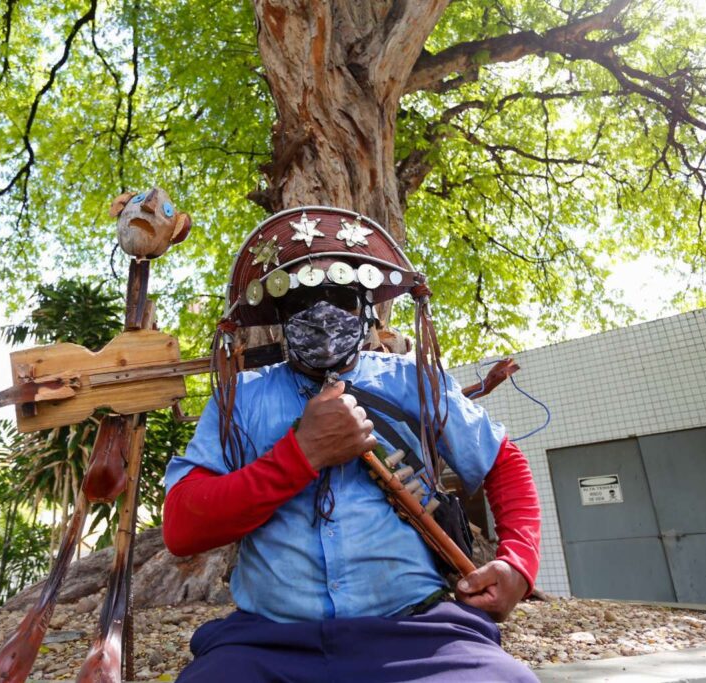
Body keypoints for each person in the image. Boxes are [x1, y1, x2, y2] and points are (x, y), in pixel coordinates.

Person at [162, 207, 541, 682]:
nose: (321, 312)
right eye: (299, 298)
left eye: (340, 295)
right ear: (278, 315)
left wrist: (519, 564)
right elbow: (181, 525)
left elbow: (503, 462)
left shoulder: (416, 382)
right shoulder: (239, 401)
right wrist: (301, 455)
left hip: (419, 631)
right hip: (268, 641)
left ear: (366, 306)